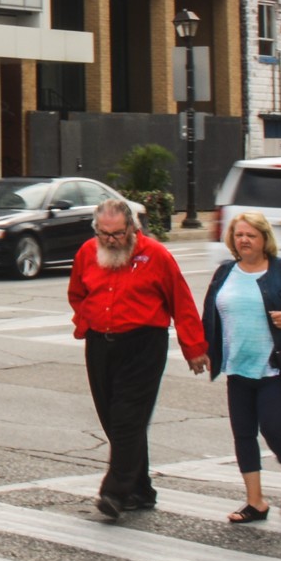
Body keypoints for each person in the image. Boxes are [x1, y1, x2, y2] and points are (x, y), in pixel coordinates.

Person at [68, 199, 210, 520]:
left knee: (127, 417)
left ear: (132, 228)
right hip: (101, 343)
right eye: (104, 234)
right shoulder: (87, 253)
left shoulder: (155, 255)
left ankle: (114, 491)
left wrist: (194, 347)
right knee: (112, 418)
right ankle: (140, 488)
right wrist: (86, 319)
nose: (111, 241)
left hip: (144, 343)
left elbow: (181, 300)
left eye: (117, 234)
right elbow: (77, 293)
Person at [202, 210, 281, 523]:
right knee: (243, 434)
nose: (244, 240)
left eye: (251, 235)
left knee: (272, 427)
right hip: (237, 367)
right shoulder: (224, 273)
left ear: (265, 239)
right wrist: (202, 351)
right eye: (239, 235)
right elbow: (209, 319)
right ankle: (256, 502)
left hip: (275, 368)